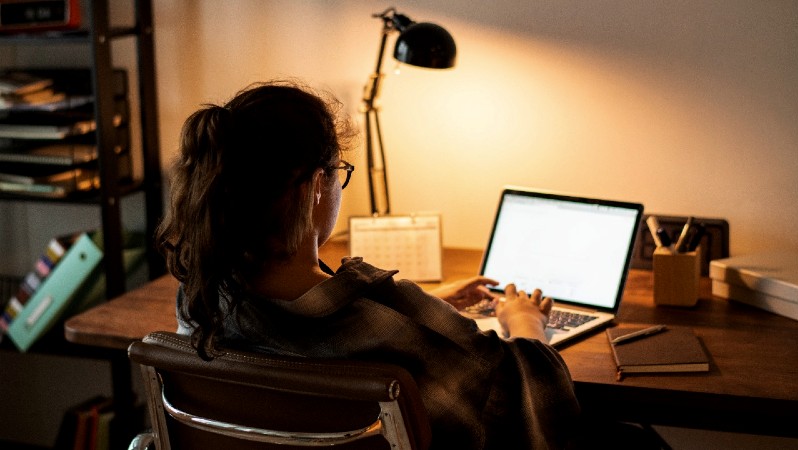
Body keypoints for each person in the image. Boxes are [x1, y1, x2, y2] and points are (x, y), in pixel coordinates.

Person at [156, 80, 580, 449]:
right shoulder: (389, 323)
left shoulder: (200, 300)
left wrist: (425, 307)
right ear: (314, 187)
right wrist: (526, 322)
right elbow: (527, 392)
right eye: (338, 171)